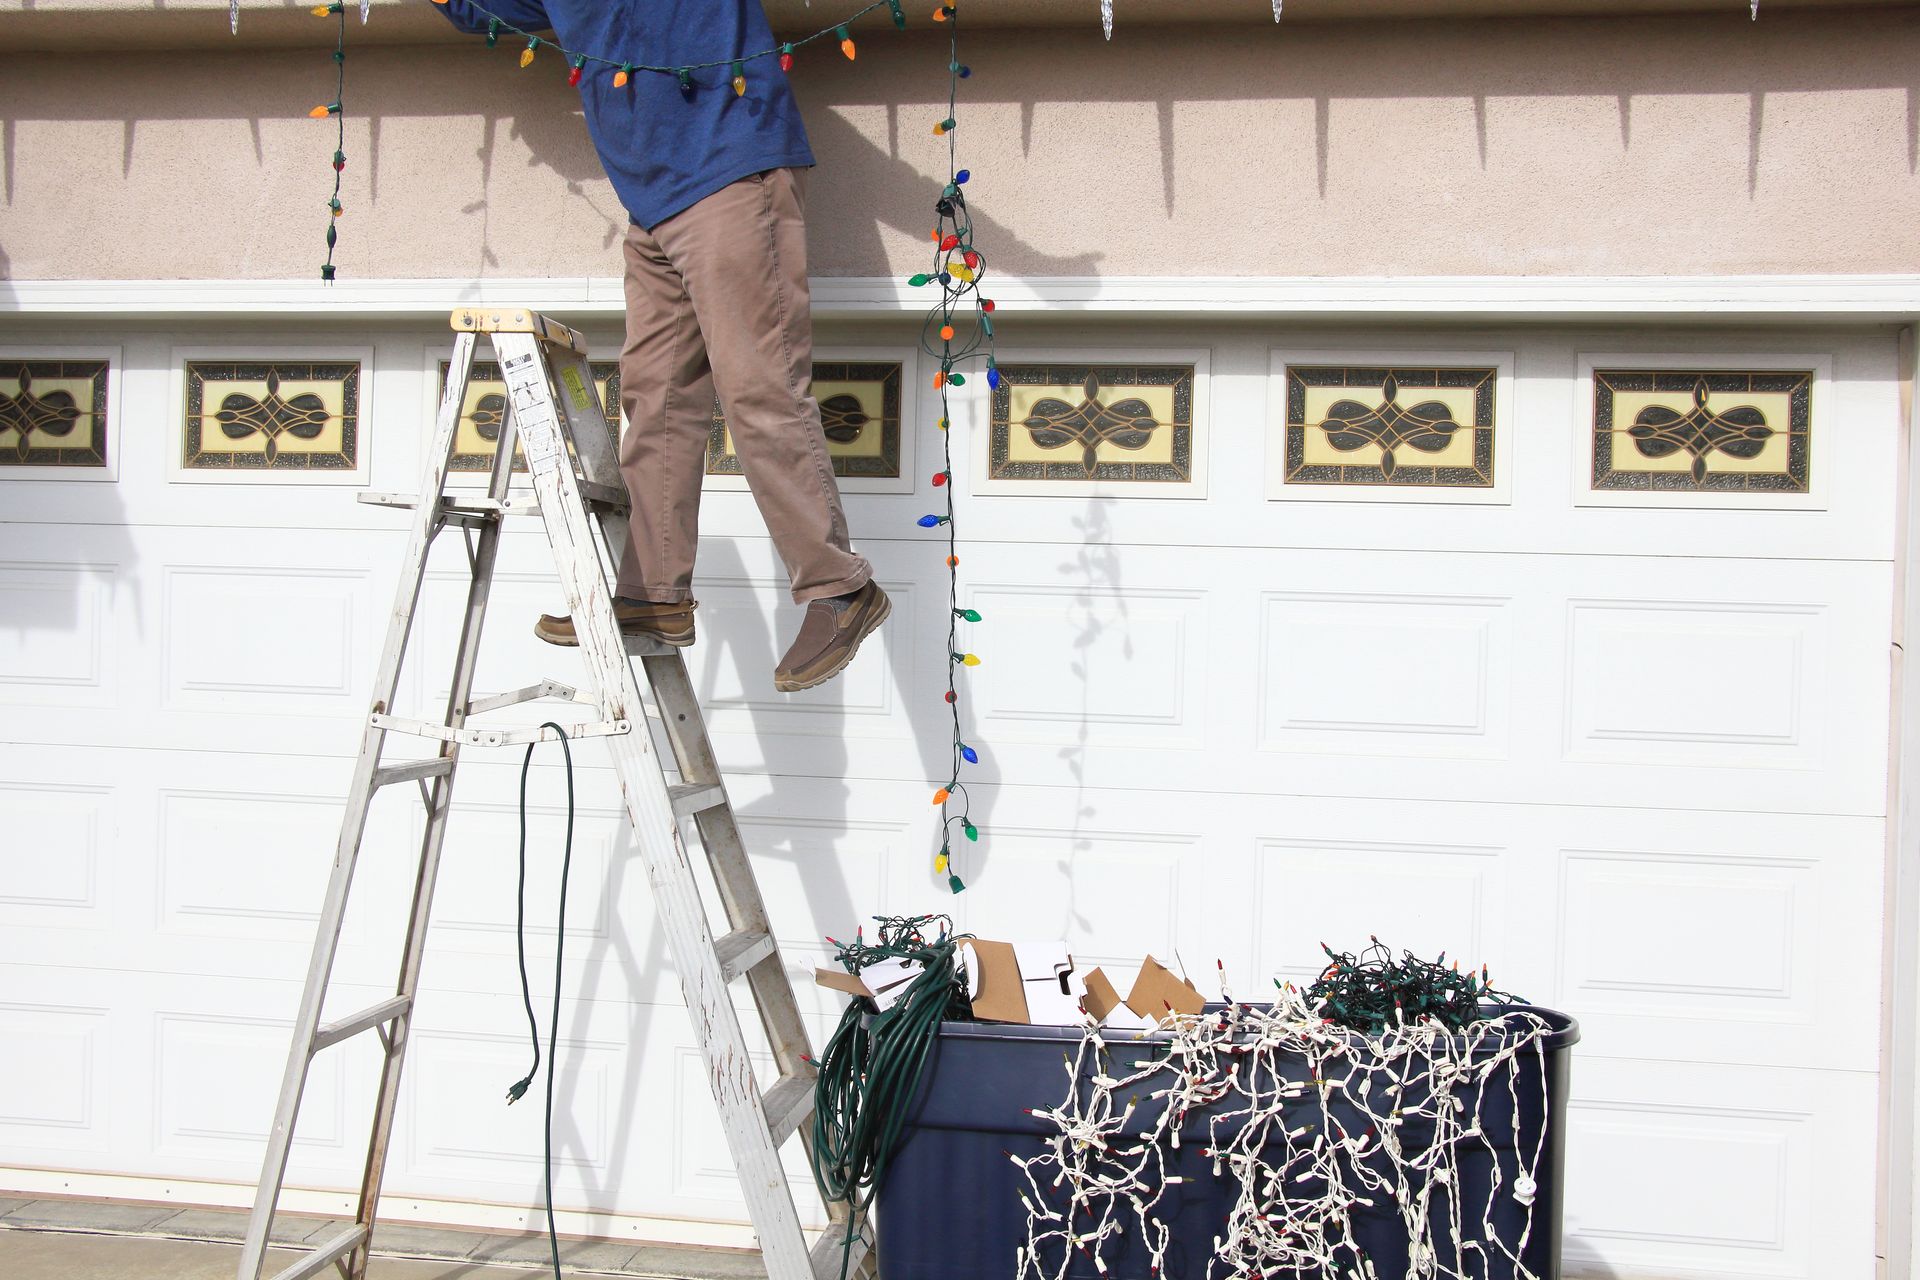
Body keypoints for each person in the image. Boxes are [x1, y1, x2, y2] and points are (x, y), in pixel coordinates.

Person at [435, 0, 889, 693]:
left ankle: (840, 588)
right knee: (656, 399)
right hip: (651, 209)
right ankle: (654, 594)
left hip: (732, 172)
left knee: (758, 386)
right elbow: (477, 10)